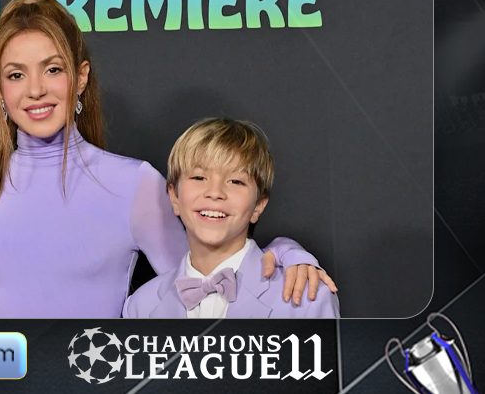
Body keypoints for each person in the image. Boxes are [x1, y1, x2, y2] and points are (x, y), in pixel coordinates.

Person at [0, 0, 335, 318]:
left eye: (52, 69)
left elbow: (207, 274)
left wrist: (287, 253)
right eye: (16, 74)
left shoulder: (132, 184)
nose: (35, 89)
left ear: (81, 77)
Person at [123, 118, 340, 318]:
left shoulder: (306, 299)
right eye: (199, 177)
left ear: (258, 205)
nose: (215, 192)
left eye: (236, 181)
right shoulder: (140, 306)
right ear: (174, 197)